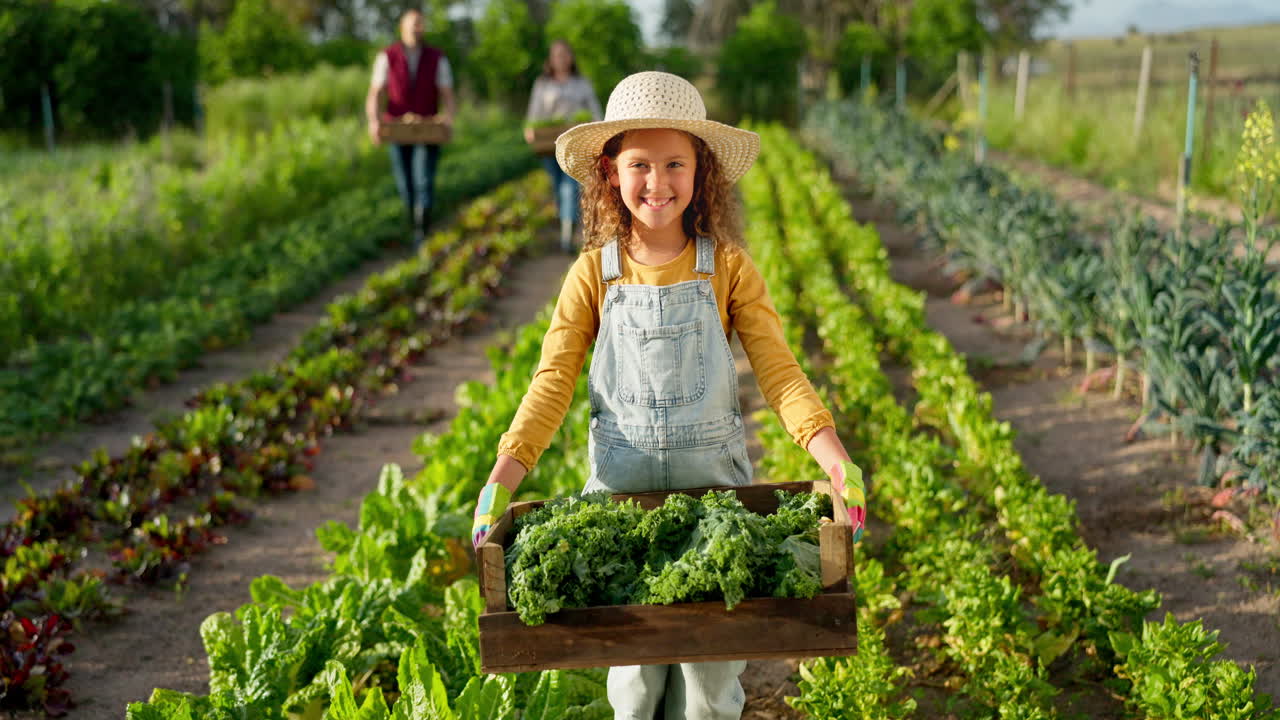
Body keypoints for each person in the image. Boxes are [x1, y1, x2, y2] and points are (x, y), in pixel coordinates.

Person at [470, 71, 867, 720]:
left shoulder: (727, 267)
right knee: (635, 690)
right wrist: (500, 479)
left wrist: (834, 459)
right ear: (610, 171)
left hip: (717, 504)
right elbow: (552, 383)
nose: (658, 183)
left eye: (675, 163)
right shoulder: (592, 273)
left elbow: (780, 373)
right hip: (620, 508)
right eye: (640, 165)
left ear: (701, 169)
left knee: (709, 691)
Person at [366, 8, 457, 247]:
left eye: (420, 24)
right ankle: (412, 220)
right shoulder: (387, 56)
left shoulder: (437, 57)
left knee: (424, 178)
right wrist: (374, 122)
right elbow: (376, 93)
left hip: (428, 128)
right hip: (398, 128)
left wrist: (448, 119)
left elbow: (447, 94)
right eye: (413, 24)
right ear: (402, 28)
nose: (418, 28)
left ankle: (422, 231)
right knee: (405, 182)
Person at [524, 39, 602, 254]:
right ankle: (565, 221)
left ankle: (567, 236)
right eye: (557, 55)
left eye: (565, 54)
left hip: (573, 142)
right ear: (551, 59)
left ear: (571, 58)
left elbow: (594, 109)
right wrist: (530, 129)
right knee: (557, 187)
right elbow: (534, 111)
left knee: (570, 185)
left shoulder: (581, 83)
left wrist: (598, 129)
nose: (561, 58)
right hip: (548, 142)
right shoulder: (543, 84)